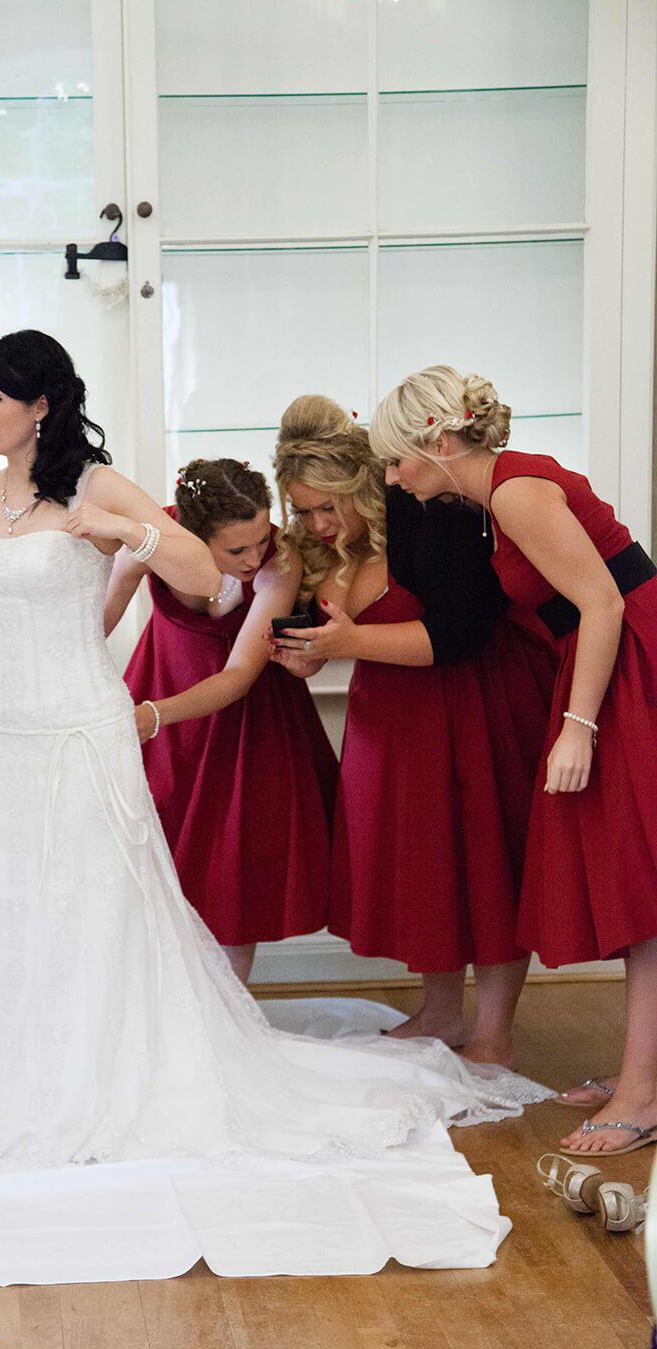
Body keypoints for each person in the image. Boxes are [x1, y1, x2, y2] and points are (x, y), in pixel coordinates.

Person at [0, 334, 552, 1297]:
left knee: (101, 896)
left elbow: (195, 569)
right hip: (4, 728)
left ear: (39, 406)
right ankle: (22, 1063)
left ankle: (112, 1070)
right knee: (15, 898)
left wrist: (128, 534)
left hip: (83, 721)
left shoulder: (97, 486)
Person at [369, 365, 657, 1156]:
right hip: (609, 661)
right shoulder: (496, 496)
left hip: (631, 664)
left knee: (641, 878)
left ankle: (641, 1093)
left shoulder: (516, 493)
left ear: (438, 441)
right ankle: (644, 1074)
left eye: (396, 458)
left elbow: (604, 603)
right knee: (635, 876)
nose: (392, 477)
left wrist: (577, 727)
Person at [269, 396, 557, 1068]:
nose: (317, 524)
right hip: (390, 719)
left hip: (468, 703)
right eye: (304, 511)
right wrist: (309, 655)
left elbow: (460, 629)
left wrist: (346, 643)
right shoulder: (323, 549)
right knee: (425, 869)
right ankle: (440, 1011)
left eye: (327, 507)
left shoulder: (435, 517)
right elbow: (334, 636)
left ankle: (494, 1030)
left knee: (485, 864)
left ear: (359, 485)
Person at [106, 457, 338, 984]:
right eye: (237, 550)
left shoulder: (280, 561)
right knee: (149, 851)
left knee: (233, 865)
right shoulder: (155, 537)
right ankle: (159, 1002)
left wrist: (152, 716)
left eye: (261, 539)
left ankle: (227, 1013)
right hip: (162, 678)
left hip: (246, 713)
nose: (255, 557)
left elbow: (237, 677)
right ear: (193, 535)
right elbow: (96, 623)